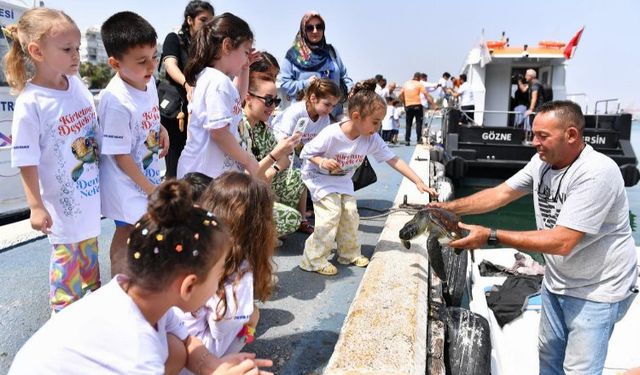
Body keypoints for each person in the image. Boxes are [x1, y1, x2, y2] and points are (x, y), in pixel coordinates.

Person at [433, 101, 638, 374]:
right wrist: (445, 208)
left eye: (543, 136)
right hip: (557, 281)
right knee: (550, 358)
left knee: (580, 370)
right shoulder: (542, 162)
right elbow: (500, 194)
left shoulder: (596, 173)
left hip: (597, 290)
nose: (534, 142)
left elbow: (562, 242)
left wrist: (490, 236)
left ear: (572, 135)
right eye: (533, 134)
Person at [9, 180, 273, 374]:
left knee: (176, 350)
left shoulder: (133, 293)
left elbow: (187, 340)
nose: (220, 284)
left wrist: (213, 368)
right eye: (218, 276)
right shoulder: (138, 356)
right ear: (188, 286)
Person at [5, 8, 102, 312]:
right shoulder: (30, 103)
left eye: (77, 48)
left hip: (89, 210)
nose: (76, 55)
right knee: (66, 295)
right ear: (37, 51)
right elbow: (25, 158)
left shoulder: (77, 85)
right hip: (62, 215)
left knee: (92, 288)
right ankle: (63, 342)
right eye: (67, 49)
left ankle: (90, 336)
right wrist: (35, 205)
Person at [298, 79, 437, 275]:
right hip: (319, 178)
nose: (378, 127)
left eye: (380, 122)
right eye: (375, 121)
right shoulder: (331, 134)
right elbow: (306, 152)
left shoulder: (370, 137)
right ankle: (312, 259)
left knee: (350, 214)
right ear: (356, 116)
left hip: (342, 181)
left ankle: (348, 253)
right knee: (330, 215)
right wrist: (322, 161)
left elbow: (394, 160)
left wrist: (418, 182)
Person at [176, 13, 297, 181]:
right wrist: (248, 160)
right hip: (202, 177)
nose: (247, 57)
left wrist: (245, 68)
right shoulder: (216, 81)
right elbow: (219, 132)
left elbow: (237, 101)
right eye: (245, 52)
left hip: (208, 176)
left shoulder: (216, 79)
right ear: (227, 46)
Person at [98, 11, 170, 276]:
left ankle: (137, 280)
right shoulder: (116, 101)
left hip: (144, 176)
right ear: (116, 64)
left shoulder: (146, 81)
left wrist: (161, 128)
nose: (151, 66)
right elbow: (120, 156)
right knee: (126, 230)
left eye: (155, 56)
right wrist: (149, 188)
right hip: (124, 183)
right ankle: (120, 284)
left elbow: (149, 115)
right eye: (142, 61)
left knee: (144, 230)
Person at [179, 172, 276, 358]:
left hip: (167, 341)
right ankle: (222, 364)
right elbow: (220, 327)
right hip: (194, 353)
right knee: (253, 315)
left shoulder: (192, 237)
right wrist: (248, 316)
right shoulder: (239, 264)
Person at [242, 68, 305, 237]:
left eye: (276, 101)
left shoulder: (263, 127)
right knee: (293, 219)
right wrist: (274, 156)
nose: (272, 107)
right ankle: (252, 234)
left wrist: (271, 171)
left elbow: (284, 160)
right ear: (248, 98)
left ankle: (265, 230)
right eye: (268, 101)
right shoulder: (239, 127)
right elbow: (247, 177)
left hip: (261, 185)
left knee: (297, 177)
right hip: (242, 194)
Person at [272, 78, 340, 234]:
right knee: (297, 174)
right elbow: (283, 141)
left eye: (333, 106)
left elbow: (319, 146)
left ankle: (302, 218)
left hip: (301, 150)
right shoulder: (296, 112)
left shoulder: (324, 118)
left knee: (308, 174)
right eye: (327, 104)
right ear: (313, 98)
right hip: (280, 147)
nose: (330, 109)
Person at [160, 1, 214, 178]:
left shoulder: (208, 47)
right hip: (177, 111)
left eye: (211, 21)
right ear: (190, 20)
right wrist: (187, 84)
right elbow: (170, 64)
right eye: (203, 20)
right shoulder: (174, 38)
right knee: (174, 165)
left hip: (200, 110)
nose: (208, 26)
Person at [279, 11, 352, 119]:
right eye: (309, 28)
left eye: (319, 27)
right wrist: (306, 83)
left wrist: (350, 90)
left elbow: (345, 77)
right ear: (303, 30)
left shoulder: (331, 52)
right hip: (306, 118)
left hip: (333, 115)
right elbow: (285, 84)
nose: (315, 31)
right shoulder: (293, 55)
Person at [399, 72, 429, 145]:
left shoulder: (406, 84)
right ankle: (419, 140)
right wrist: (433, 104)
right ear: (419, 78)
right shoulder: (419, 84)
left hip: (408, 106)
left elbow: (400, 94)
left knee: (408, 124)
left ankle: (407, 140)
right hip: (417, 106)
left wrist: (404, 102)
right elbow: (426, 94)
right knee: (419, 123)